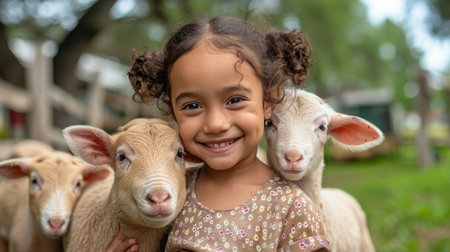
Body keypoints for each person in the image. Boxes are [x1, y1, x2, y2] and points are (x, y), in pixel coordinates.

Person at [107, 16, 330, 252]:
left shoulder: (290, 208)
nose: (215, 124)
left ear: (268, 101)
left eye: (235, 100)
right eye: (192, 106)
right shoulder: (170, 196)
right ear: (173, 111)